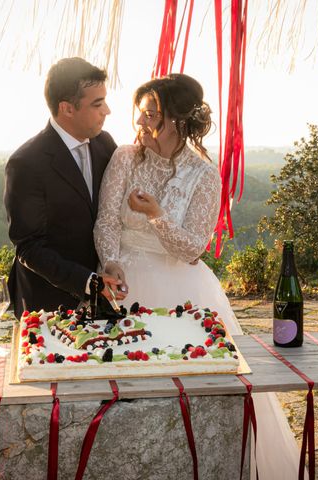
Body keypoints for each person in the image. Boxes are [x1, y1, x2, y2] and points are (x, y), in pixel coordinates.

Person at [93, 73, 302, 478]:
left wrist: (156, 216)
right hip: (123, 288)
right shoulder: (123, 157)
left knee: (193, 396)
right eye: (140, 114)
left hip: (183, 293)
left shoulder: (205, 175)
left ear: (179, 120)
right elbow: (106, 222)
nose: (141, 124)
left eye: (151, 115)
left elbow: (192, 249)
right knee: (126, 396)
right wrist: (110, 262)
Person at [4, 57, 124, 319]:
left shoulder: (105, 144)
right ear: (67, 109)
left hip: (104, 301)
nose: (107, 111)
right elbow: (29, 247)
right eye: (97, 103)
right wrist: (89, 282)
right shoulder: (25, 163)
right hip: (47, 301)